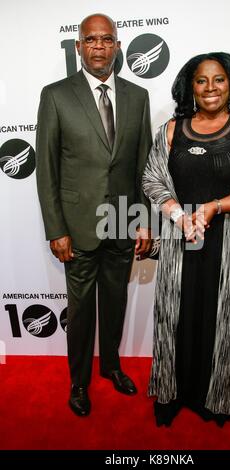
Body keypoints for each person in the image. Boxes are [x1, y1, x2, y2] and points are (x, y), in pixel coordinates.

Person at [142, 52, 230, 427]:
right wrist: (178, 214)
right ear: (191, 86)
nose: (210, 88)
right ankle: (173, 394)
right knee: (177, 317)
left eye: (218, 79)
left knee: (221, 321)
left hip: (229, 247)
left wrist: (215, 207)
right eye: (201, 80)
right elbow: (153, 180)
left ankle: (217, 399)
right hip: (179, 242)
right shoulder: (172, 130)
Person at [36, 13, 152, 417]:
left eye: (107, 39)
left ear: (118, 46)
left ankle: (113, 366)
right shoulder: (56, 95)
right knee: (82, 311)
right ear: (79, 46)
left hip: (122, 221)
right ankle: (79, 382)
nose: (99, 46)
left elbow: (142, 166)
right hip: (78, 227)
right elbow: (47, 169)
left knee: (116, 303)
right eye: (91, 40)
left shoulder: (138, 96)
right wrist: (56, 228)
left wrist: (143, 220)